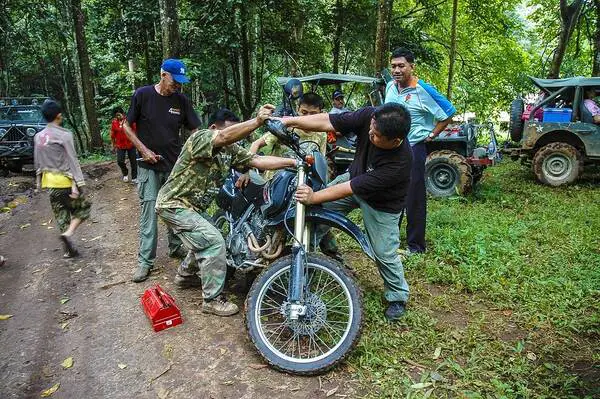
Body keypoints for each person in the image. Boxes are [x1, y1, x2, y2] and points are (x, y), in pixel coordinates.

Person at [155, 105, 298, 316]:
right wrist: (257, 121)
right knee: (213, 241)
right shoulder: (200, 138)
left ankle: (184, 276)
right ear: (214, 127)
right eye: (233, 131)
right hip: (174, 204)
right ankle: (211, 300)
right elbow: (222, 137)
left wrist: (294, 162)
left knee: (204, 236)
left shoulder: (230, 150)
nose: (235, 137)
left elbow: (257, 160)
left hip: (192, 208)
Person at [276, 102, 413, 321]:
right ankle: (307, 266)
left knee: (384, 252)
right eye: (371, 128)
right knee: (313, 214)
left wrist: (315, 196)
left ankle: (397, 296)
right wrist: (289, 121)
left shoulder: (399, 164)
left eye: (376, 136)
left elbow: (349, 189)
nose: (370, 134)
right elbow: (328, 120)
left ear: (396, 140)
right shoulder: (371, 116)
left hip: (382, 204)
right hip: (354, 178)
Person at [122, 58, 201, 282]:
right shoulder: (143, 95)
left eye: (181, 82)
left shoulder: (181, 101)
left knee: (175, 209)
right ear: (163, 75)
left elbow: (196, 130)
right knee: (150, 212)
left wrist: (192, 154)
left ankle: (176, 247)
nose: (178, 85)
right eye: (175, 80)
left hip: (174, 165)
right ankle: (144, 261)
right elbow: (126, 126)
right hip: (148, 166)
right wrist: (144, 150)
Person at [384, 47, 456, 255]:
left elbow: (448, 112)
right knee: (390, 192)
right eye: (393, 66)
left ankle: (416, 246)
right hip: (391, 148)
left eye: (401, 66)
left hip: (413, 148)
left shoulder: (422, 90)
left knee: (413, 196)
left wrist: (432, 135)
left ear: (411, 67)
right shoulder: (390, 87)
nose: (396, 70)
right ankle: (390, 239)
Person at [34, 99, 91, 258]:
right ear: (59, 116)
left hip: (50, 183)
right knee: (84, 208)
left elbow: (38, 161)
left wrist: (38, 182)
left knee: (61, 215)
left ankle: (68, 250)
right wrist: (78, 184)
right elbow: (72, 160)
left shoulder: (38, 136)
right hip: (65, 182)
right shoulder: (65, 135)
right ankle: (69, 234)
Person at [249, 92, 327, 180]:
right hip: (275, 181)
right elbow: (256, 144)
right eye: (304, 112)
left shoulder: (322, 134)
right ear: (298, 109)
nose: (307, 117)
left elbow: (321, 162)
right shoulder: (286, 127)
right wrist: (247, 171)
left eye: (313, 114)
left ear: (321, 113)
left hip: (302, 183)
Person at [110, 107, 137, 183]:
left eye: (119, 114)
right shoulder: (114, 122)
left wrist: (136, 142)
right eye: (116, 115)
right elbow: (112, 134)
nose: (118, 117)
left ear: (123, 113)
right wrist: (113, 145)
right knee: (120, 161)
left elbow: (135, 130)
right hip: (120, 145)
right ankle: (125, 173)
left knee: (133, 161)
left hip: (131, 144)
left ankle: (134, 177)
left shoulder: (129, 120)